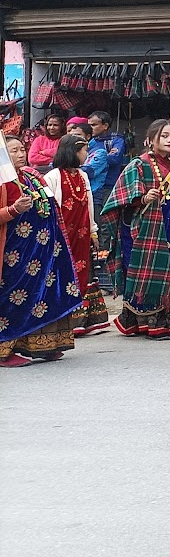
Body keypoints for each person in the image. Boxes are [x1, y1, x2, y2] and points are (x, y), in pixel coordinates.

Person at [103, 119, 170, 339]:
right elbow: (119, 197)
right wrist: (142, 197)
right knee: (149, 271)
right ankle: (148, 322)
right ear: (151, 140)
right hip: (146, 227)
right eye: (164, 136)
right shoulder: (138, 164)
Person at [0, 135, 83, 366]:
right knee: (15, 300)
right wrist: (13, 210)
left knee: (43, 298)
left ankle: (43, 345)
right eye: (13, 150)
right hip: (14, 256)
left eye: (22, 149)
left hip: (44, 253)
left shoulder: (32, 176)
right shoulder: (1, 180)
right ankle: (4, 350)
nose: (20, 154)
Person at [45, 134, 110, 337]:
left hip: (81, 235)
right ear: (73, 152)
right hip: (62, 236)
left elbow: (89, 205)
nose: (86, 155)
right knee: (64, 273)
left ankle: (84, 321)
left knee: (84, 273)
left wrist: (92, 231)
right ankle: (66, 320)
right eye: (84, 151)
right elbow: (49, 209)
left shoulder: (82, 176)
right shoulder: (53, 176)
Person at [83, 110, 127, 279]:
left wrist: (98, 159)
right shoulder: (92, 141)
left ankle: (106, 273)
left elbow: (114, 159)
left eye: (94, 125)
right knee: (95, 227)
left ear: (105, 125)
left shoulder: (116, 139)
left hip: (110, 187)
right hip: (94, 188)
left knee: (107, 228)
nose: (91, 128)